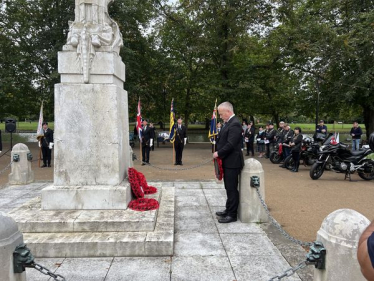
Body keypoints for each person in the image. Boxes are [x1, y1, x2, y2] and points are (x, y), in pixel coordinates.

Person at [213, 102, 244, 223]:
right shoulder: (229, 123)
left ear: (228, 112)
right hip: (228, 161)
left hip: (233, 162)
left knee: (231, 188)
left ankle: (232, 214)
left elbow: (231, 144)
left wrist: (219, 153)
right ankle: (228, 209)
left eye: (221, 114)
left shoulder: (235, 124)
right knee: (228, 187)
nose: (220, 116)